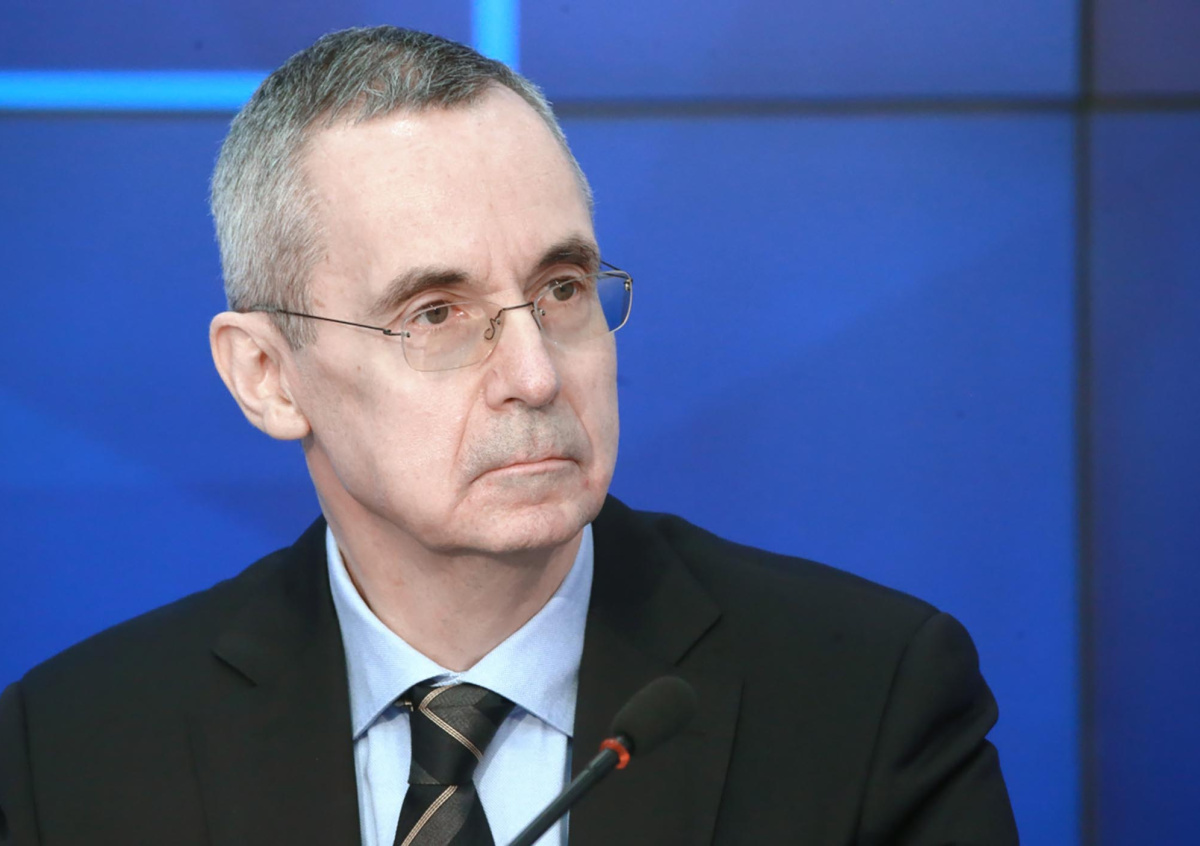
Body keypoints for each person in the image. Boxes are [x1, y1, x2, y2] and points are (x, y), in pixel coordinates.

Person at [0, 26, 1018, 846]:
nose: (535, 375)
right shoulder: (73, 754)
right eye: (436, 313)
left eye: (562, 289)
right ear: (267, 377)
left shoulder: (867, 699)